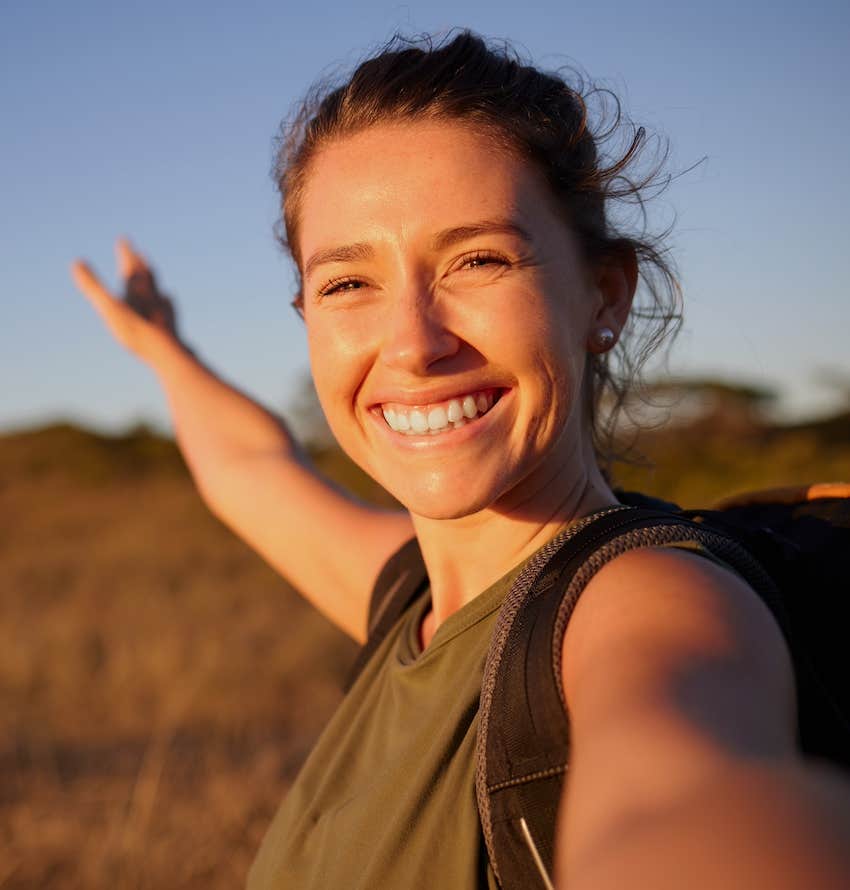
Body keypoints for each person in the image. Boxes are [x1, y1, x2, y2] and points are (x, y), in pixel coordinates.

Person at [71, 30, 850, 890]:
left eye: (478, 260)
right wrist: (163, 351)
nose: (411, 344)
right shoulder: (413, 596)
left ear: (605, 293)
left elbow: (683, 801)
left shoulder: (644, 601)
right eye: (347, 283)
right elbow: (250, 472)